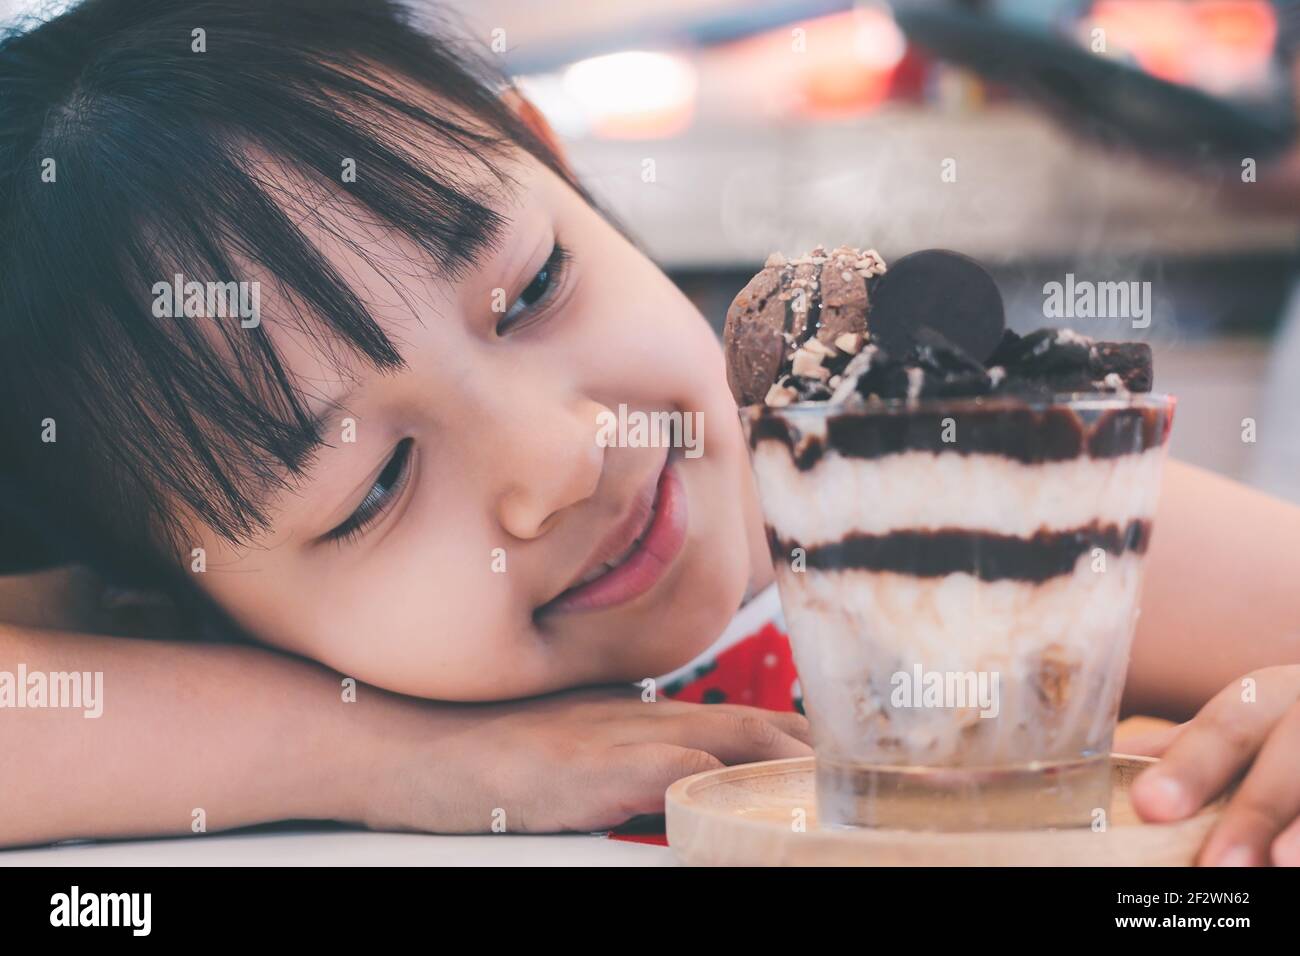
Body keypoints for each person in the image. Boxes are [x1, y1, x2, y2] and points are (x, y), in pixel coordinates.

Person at [1, 0, 1297, 865]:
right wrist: (402, 760)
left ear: (552, 157)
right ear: (157, 599)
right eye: (374, 485)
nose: (561, 459)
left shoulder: (929, 524)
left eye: (534, 290)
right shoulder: (149, 689)